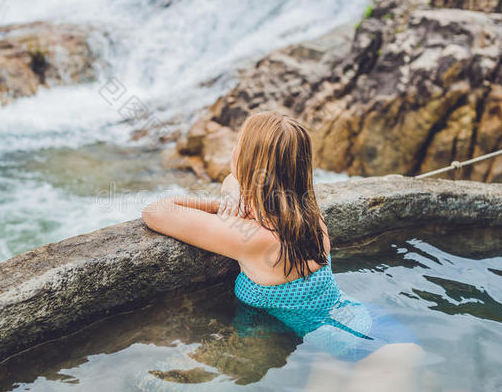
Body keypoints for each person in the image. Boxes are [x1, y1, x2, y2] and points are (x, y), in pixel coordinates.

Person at [142, 111, 424, 390]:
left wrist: (220, 205)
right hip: (374, 330)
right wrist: (234, 192)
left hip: (370, 353)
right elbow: (233, 180)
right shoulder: (310, 216)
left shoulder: (253, 238)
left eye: (237, 146)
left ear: (246, 162)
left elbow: (156, 212)